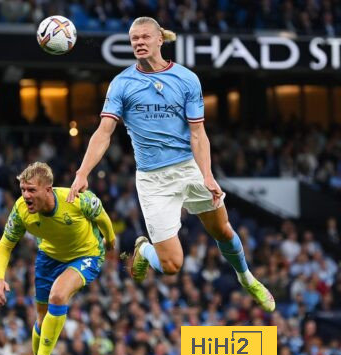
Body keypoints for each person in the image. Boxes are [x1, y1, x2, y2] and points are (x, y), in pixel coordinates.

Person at [67, 16, 274, 313]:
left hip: (188, 168)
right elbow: (104, 132)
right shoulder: (122, 83)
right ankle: (143, 250)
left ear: (159, 39)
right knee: (172, 265)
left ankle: (246, 277)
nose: (138, 42)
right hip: (153, 181)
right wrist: (82, 173)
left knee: (223, 231)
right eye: (134, 39)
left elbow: (197, 133)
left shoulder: (187, 79)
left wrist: (208, 175)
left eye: (144, 37)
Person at [0, 162, 115, 355]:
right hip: (48, 258)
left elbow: (103, 217)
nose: (26, 195)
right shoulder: (20, 210)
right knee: (41, 317)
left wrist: (110, 242)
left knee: (58, 296)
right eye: (23, 189)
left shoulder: (77, 199)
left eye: (31, 190)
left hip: (86, 255)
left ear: (48, 189)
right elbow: (5, 245)